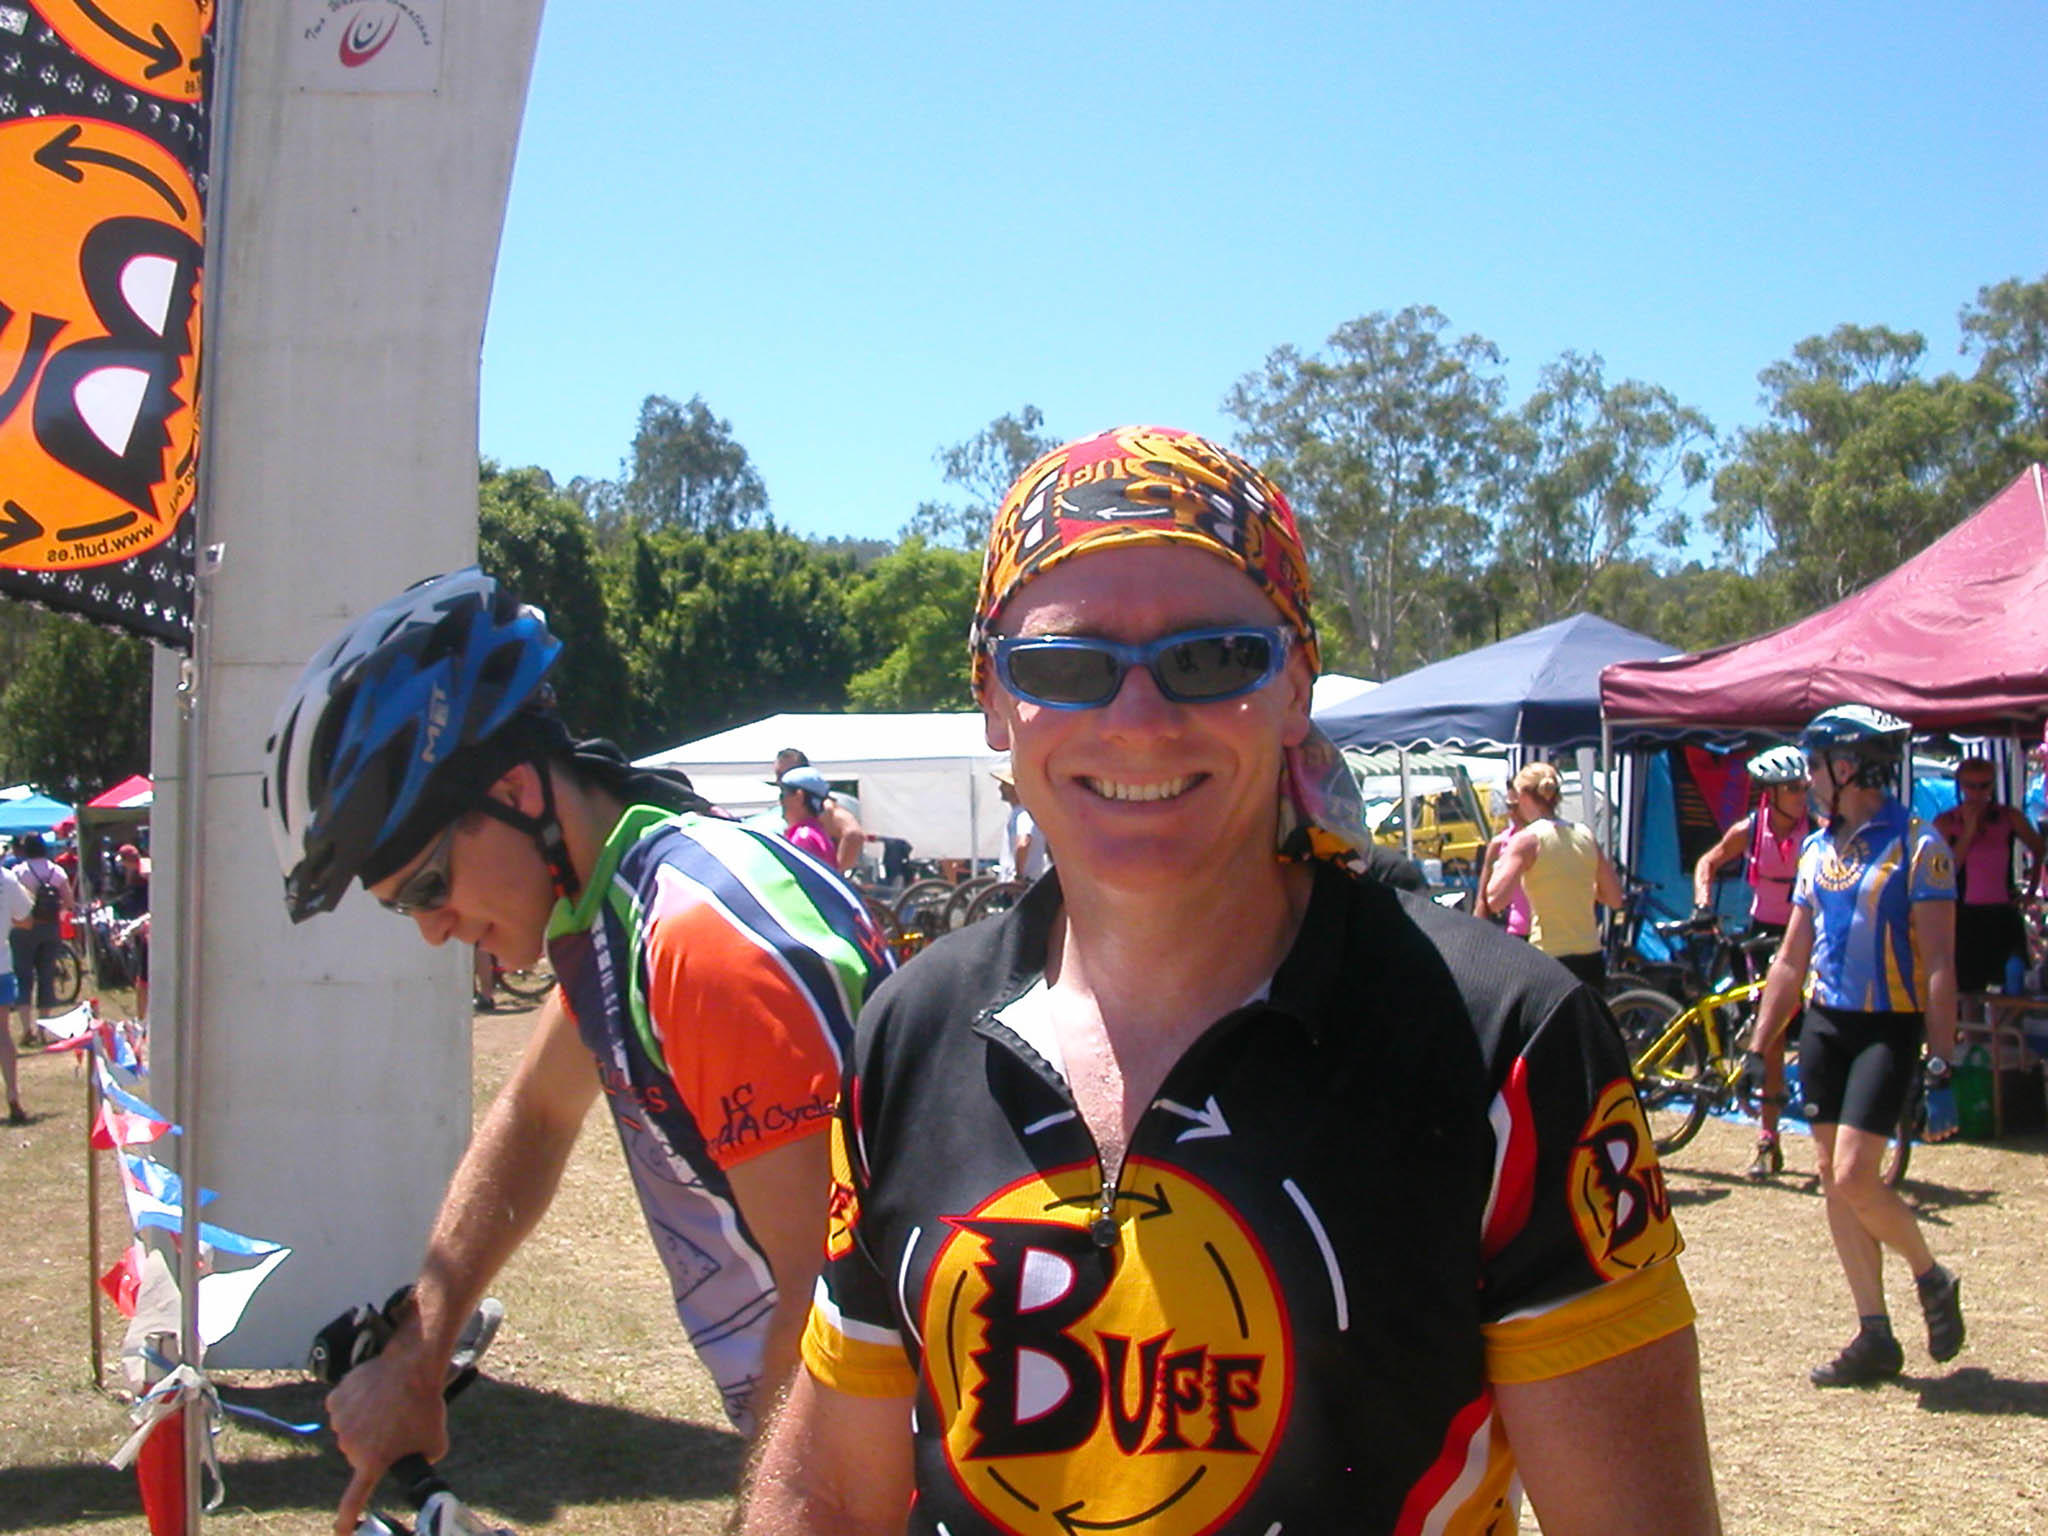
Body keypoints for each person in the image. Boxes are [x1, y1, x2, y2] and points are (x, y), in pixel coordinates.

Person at [741, 425, 1717, 1534]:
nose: (1140, 721)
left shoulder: (1506, 1042)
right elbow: (826, 1496)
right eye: (1065, 666)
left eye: (1213, 659)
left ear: (1295, 685)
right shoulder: (908, 1033)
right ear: (996, 707)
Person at [264, 569, 895, 1534]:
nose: (432, 930)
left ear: (515, 790)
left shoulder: (700, 944)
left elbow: (827, 1310)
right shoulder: (613, 915)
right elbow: (538, 1113)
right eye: (401, 907)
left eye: (429, 884)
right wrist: (418, 1354)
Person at [1747, 705, 1965, 1388]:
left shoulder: (1917, 846)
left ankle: (1932, 1275)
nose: (1807, 780)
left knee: (1852, 1176)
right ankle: (1874, 1333)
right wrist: (1761, 1044)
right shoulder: (1818, 849)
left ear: (1847, 768)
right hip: (1826, 1026)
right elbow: (1791, 956)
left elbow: (1939, 963)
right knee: (1833, 1185)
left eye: (1814, 766)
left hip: (1887, 1027)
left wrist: (1940, 1062)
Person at [1691, 744, 1811, 1178]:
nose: (1803, 795)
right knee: (1773, 1037)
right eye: (1793, 788)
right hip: (1762, 936)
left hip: (1807, 937)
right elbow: (1708, 860)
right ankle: (1768, 1140)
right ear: (1771, 793)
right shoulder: (1750, 828)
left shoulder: (1818, 829)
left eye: (1804, 787)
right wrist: (1702, 903)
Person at [1483, 761, 1626, 989]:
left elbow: (1495, 900)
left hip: (1549, 959)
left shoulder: (1526, 840)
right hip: (1590, 956)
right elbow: (1614, 898)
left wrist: (1499, 866)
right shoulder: (1584, 835)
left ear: (1523, 796)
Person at [1933, 755, 2043, 994]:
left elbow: (2039, 848)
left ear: (1993, 786)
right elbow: (1946, 870)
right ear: (1961, 787)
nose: (1978, 792)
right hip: (1966, 916)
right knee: (1970, 993)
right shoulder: (1946, 822)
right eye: (1971, 786)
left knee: (2012, 984)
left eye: (1984, 786)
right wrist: (1968, 832)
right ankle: (1974, 1032)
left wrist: (2031, 892)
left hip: (2003, 912)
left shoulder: (2008, 817)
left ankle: (2006, 1031)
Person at [9, 833, 73, 1049]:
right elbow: (69, 900)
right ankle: (44, 1029)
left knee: (23, 976)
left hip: (23, 929)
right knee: (46, 975)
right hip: (50, 928)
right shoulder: (56, 871)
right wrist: (59, 914)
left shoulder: (19, 871)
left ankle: (27, 1029)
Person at [774, 748, 867, 875]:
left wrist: (836, 876)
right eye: (778, 774)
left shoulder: (825, 806)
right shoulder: (789, 806)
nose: (778, 781)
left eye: (783, 774)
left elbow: (854, 834)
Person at [1471, 787, 1532, 936]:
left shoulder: (1542, 839)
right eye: (1509, 807)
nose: (1512, 813)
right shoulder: (1499, 843)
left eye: (1516, 806)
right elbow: (1483, 896)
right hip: (1511, 929)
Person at [0, 863, 33, 1122]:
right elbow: (26, 919)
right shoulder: (7, 879)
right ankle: (12, 1094)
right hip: (1, 965)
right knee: (3, 1033)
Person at [112, 843, 151, 1019]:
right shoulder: (139, 871)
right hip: (144, 926)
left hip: (148, 928)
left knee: (143, 981)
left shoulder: (144, 872)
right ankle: (142, 1017)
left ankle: (142, 1018)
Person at [991, 765, 1049, 884]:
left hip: (1023, 881)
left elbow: (1023, 844)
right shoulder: (1020, 813)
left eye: (1005, 785)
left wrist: (1018, 876)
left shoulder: (1024, 814)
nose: (1000, 788)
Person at [774, 766, 840, 864]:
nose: (781, 801)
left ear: (799, 796)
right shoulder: (817, 832)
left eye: (783, 794)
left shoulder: (804, 838)